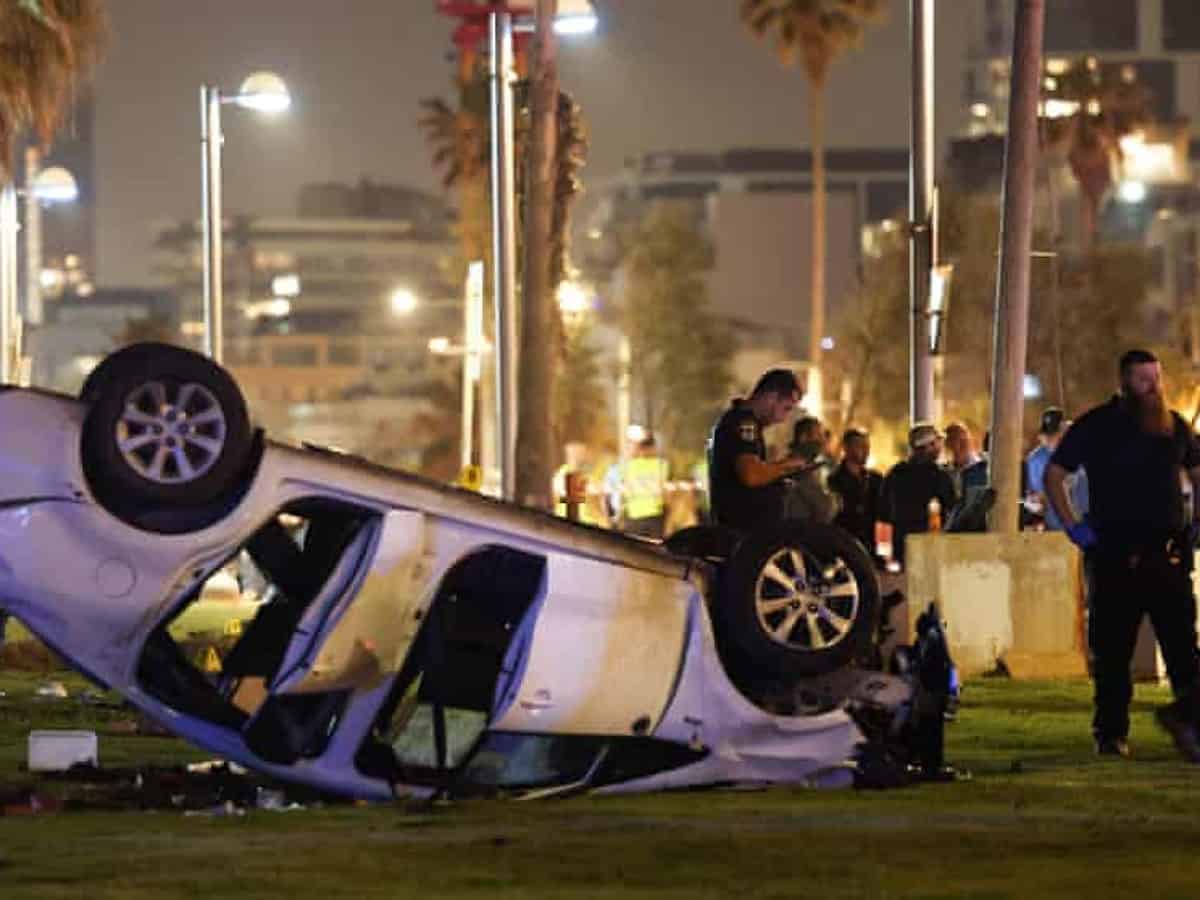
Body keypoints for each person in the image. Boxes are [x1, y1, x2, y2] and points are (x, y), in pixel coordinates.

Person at [1046, 349, 1200, 760]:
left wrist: (1195, 525)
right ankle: (1111, 733)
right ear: (1125, 382)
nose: (1154, 387)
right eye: (1144, 379)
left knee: (1184, 649)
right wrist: (1074, 527)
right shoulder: (1098, 425)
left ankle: (1190, 724)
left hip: (1166, 555)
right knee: (1113, 652)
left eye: (1156, 378)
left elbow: (1198, 472)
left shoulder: (1174, 426)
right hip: (1115, 555)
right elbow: (1055, 475)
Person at [707, 368, 811, 531]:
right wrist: (786, 466)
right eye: (786, 408)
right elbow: (752, 475)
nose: (784, 418)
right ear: (771, 397)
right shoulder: (743, 423)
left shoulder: (747, 422)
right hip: (740, 532)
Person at [880, 423, 958, 566]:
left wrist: (884, 553)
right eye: (936, 443)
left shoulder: (895, 474)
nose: (940, 447)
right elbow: (953, 511)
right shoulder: (939, 477)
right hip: (930, 547)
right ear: (929, 446)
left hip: (901, 547)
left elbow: (883, 514)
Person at [1026, 407, 1088, 531]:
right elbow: (1035, 495)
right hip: (1054, 529)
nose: (1052, 440)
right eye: (1049, 435)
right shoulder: (1036, 459)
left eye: (1057, 434)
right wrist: (1033, 503)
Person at [827, 427, 883, 554]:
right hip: (845, 545)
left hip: (871, 547)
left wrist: (884, 549)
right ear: (846, 448)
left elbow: (883, 515)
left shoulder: (875, 480)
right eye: (860, 446)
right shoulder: (834, 480)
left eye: (867, 446)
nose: (866, 450)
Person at [783, 415, 837, 523]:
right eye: (819, 435)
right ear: (803, 438)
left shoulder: (810, 467)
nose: (822, 441)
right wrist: (834, 500)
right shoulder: (798, 469)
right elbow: (825, 509)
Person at [619, 431, 670, 539]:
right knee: (655, 551)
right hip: (654, 514)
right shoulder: (661, 464)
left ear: (640, 448)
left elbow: (625, 489)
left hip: (634, 515)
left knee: (635, 551)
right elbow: (663, 488)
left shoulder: (627, 465)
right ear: (653, 447)